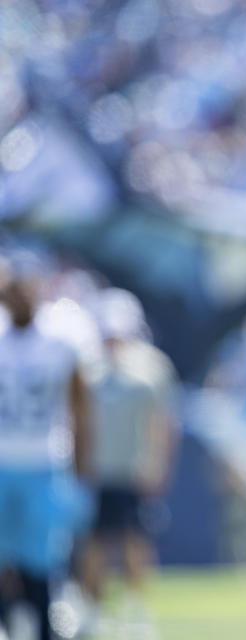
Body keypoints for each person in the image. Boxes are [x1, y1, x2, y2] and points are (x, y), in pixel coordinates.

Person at [78, 287, 178, 636]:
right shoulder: (85, 365)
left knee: (135, 541)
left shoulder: (152, 366)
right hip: (93, 469)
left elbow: (162, 423)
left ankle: (136, 611)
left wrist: (157, 465)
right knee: (92, 542)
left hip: (133, 468)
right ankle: (92, 610)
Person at [0, 261, 91, 640]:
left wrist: (83, 471)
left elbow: (80, 409)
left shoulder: (61, 340)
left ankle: (44, 627)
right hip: (3, 460)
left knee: (41, 561)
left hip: (44, 460)